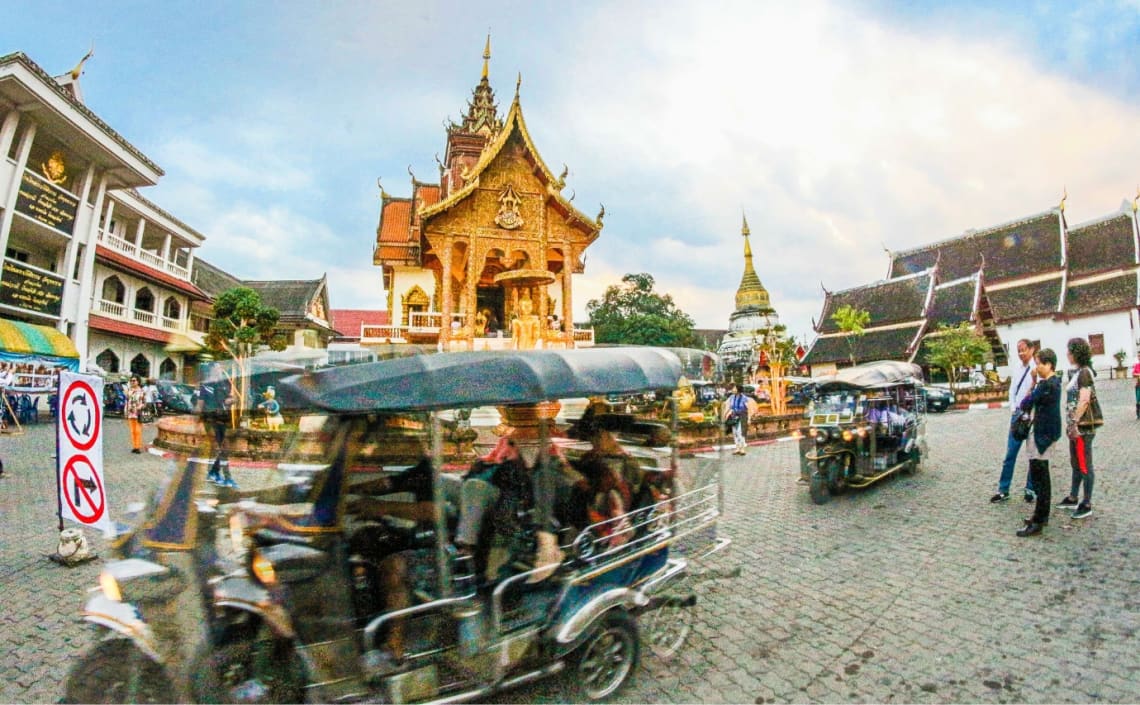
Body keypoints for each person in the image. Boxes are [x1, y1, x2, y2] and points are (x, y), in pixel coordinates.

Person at [1015, 348, 1062, 537]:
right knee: (1043, 477)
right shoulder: (1054, 382)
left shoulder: (1046, 385)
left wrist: (1033, 382)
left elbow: (1025, 403)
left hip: (1042, 435)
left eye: (1039, 364)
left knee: (1039, 478)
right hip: (1047, 433)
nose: (1037, 367)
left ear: (1049, 364)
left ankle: (1039, 519)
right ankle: (1041, 516)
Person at [1057, 338, 1100, 519]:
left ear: (1076, 353)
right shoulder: (1076, 372)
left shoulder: (1084, 373)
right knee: (1075, 462)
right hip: (1074, 426)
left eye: (1069, 351)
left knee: (1084, 464)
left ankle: (1087, 501)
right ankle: (1074, 496)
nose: (1067, 354)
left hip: (1082, 427)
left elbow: (1084, 399)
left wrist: (1074, 422)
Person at [991, 339, 1038, 504]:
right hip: (1017, 415)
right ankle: (1003, 489)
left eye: (1024, 350)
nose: (1021, 353)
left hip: (1032, 415)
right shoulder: (1017, 369)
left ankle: (1030, 489)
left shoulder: (1037, 369)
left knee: (1033, 455)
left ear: (1032, 349)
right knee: (1010, 454)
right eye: (1018, 350)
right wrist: (1013, 409)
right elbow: (1012, 391)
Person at [195, 378, 237, 488]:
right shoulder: (205, 386)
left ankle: (213, 472)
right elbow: (200, 403)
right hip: (210, 420)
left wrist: (231, 400)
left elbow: (230, 398)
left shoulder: (225, 383)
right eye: (216, 368)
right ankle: (227, 477)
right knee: (220, 447)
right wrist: (198, 421)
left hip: (222, 419)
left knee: (220, 448)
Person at [725, 384, 750, 455]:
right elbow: (729, 407)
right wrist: (725, 415)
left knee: (740, 433)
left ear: (738, 390)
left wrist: (749, 418)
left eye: (734, 388)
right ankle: (737, 448)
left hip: (742, 416)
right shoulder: (732, 397)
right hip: (734, 416)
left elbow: (748, 408)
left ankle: (742, 448)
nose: (733, 390)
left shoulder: (744, 398)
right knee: (735, 433)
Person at [125, 376, 145, 454]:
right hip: (130, 412)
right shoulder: (129, 390)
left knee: (138, 431)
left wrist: (139, 407)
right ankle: (134, 447)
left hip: (138, 413)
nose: (132, 382)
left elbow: (144, 402)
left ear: (138, 381)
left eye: (134, 380)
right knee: (132, 431)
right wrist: (125, 412)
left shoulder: (142, 391)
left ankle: (138, 447)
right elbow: (127, 402)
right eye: (131, 381)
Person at [1132, 352, 1140, 420]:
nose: (1139, 357)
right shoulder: (1137, 365)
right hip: (1138, 385)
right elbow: (1134, 374)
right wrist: (1138, 375)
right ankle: (1138, 414)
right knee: (1138, 400)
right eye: (1138, 356)